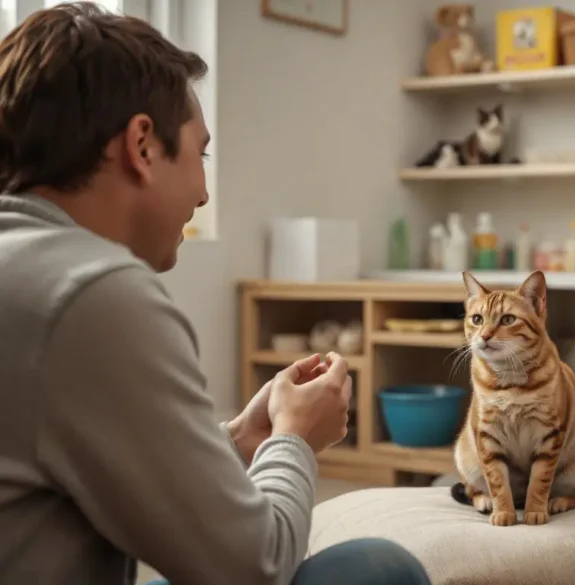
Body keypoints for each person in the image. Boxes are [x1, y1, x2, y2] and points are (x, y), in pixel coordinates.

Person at [0, 4, 430, 585]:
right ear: (142, 146)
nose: (203, 193)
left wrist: (240, 440)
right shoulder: (90, 295)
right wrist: (293, 440)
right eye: (200, 153)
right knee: (377, 569)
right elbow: (254, 568)